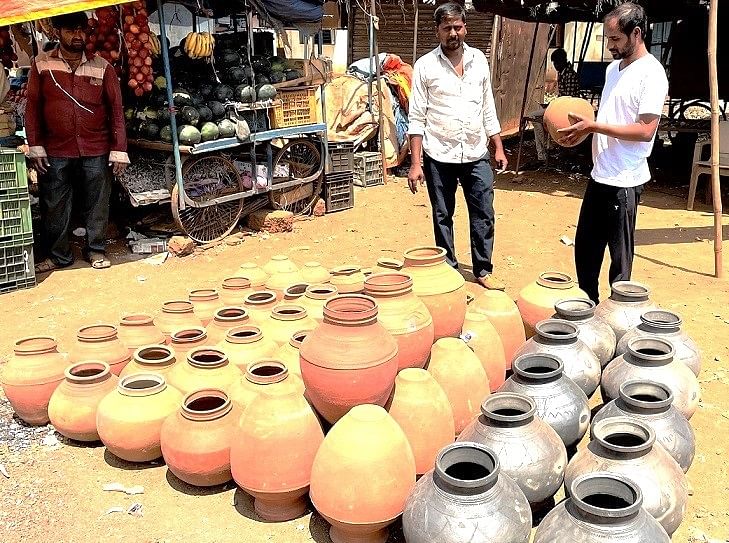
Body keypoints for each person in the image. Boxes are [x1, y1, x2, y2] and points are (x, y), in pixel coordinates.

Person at [559, 3, 668, 303]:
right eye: (607, 39)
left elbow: (645, 130)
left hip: (625, 180)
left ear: (636, 33)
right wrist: (585, 123)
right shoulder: (612, 70)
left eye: (615, 39)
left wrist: (594, 126)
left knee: (619, 264)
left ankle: (617, 319)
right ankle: (588, 313)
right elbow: (611, 114)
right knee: (585, 250)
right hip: (601, 174)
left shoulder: (652, 74)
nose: (610, 46)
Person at [407, 2, 508, 290]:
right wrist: (416, 163)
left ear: (466, 27)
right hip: (439, 153)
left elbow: (488, 106)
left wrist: (498, 145)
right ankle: (449, 270)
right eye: (447, 28)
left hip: (476, 152)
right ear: (437, 30)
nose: (453, 33)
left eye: (458, 26)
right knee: (442, 215)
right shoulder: (425, 66)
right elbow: (417, 116)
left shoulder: (479, 60)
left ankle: (483, 269)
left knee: (484, 212)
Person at [25, 11, 129, 272]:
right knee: (54, 202)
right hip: (56, 148)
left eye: (82, 30)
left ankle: (96, 250)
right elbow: (33, 108)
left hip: (96, 146)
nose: (78, 36)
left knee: (97, 200)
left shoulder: (102, 66)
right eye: (71, 30)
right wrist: (35, 144)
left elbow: (116, 110)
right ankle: (59, 255)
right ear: (57, 32)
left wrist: (119, 149)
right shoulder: (42, 65)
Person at [529, 48, 581, 166]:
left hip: (567, 110)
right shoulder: (563, 73)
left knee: (534, 117)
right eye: (554, 64)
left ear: (562, 61)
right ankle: (546, 147)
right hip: (560, 106)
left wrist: (553, 106)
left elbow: (569, 99)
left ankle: (544, 150)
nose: (556, 66)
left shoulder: (570, 75)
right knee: (535, 117)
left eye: (557, 63)